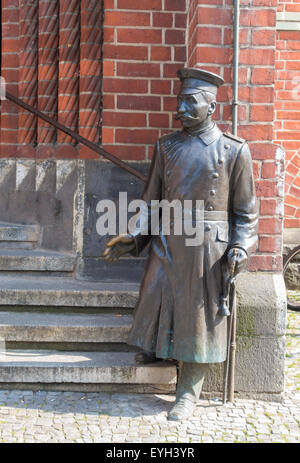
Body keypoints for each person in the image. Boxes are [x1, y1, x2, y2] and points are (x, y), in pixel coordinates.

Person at [103, 67, 258, 420]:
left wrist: (240, 246)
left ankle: (187, 392)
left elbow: (246, 213)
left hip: (207, 248)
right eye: (179, 101)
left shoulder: (234, 151)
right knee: (155, 295)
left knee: (198, 320)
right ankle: (158, 347)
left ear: (211, 107)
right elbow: (150, 201)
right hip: (168, 240)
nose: (181, 109)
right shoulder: (167, 146)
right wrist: (134, 235)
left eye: (190, 102)